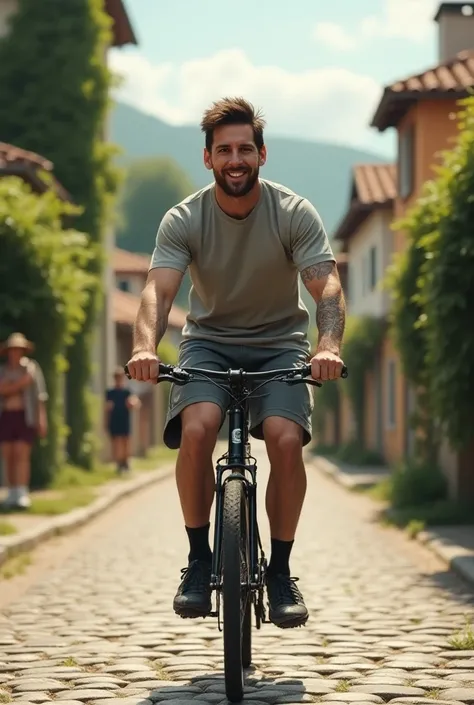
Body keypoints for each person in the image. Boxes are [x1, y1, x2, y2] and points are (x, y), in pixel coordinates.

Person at [126, 97, 346, 629]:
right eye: (224, 149)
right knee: (198, 429)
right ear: (208, 159)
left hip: (281, 342)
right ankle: (199, 561)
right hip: (208, 342)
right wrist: (144, 347)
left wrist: (329, 345)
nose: (235, 158)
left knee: (286, 437)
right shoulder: (185, 217)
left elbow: (327, 285)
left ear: (262, 154)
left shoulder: (293, 212)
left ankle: (281, 571)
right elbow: (158, 292)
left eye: (245, 148)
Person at [0, 332, 48, 509]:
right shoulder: (3, 371)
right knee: (8, 454)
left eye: (18, 349)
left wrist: (42, 419)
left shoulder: (32, 368)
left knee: (21, 454)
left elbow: (40, 396)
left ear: (23, 351)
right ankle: (11, 491)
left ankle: (21, 491)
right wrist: (21, 383)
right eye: (12, 349)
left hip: (24, 416)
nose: (15, 353)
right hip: (6, 416)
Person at [105, 366, 141, 474]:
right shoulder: (110, 392)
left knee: (126, 441)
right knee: (116, 441)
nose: (118, 379)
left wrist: (132, 403)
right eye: (117, 377)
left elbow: (136, 403)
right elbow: (106, 408)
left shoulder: (127, 391)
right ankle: (118, 463)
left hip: (124, 418)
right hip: (114, 419)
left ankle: (125, 462)